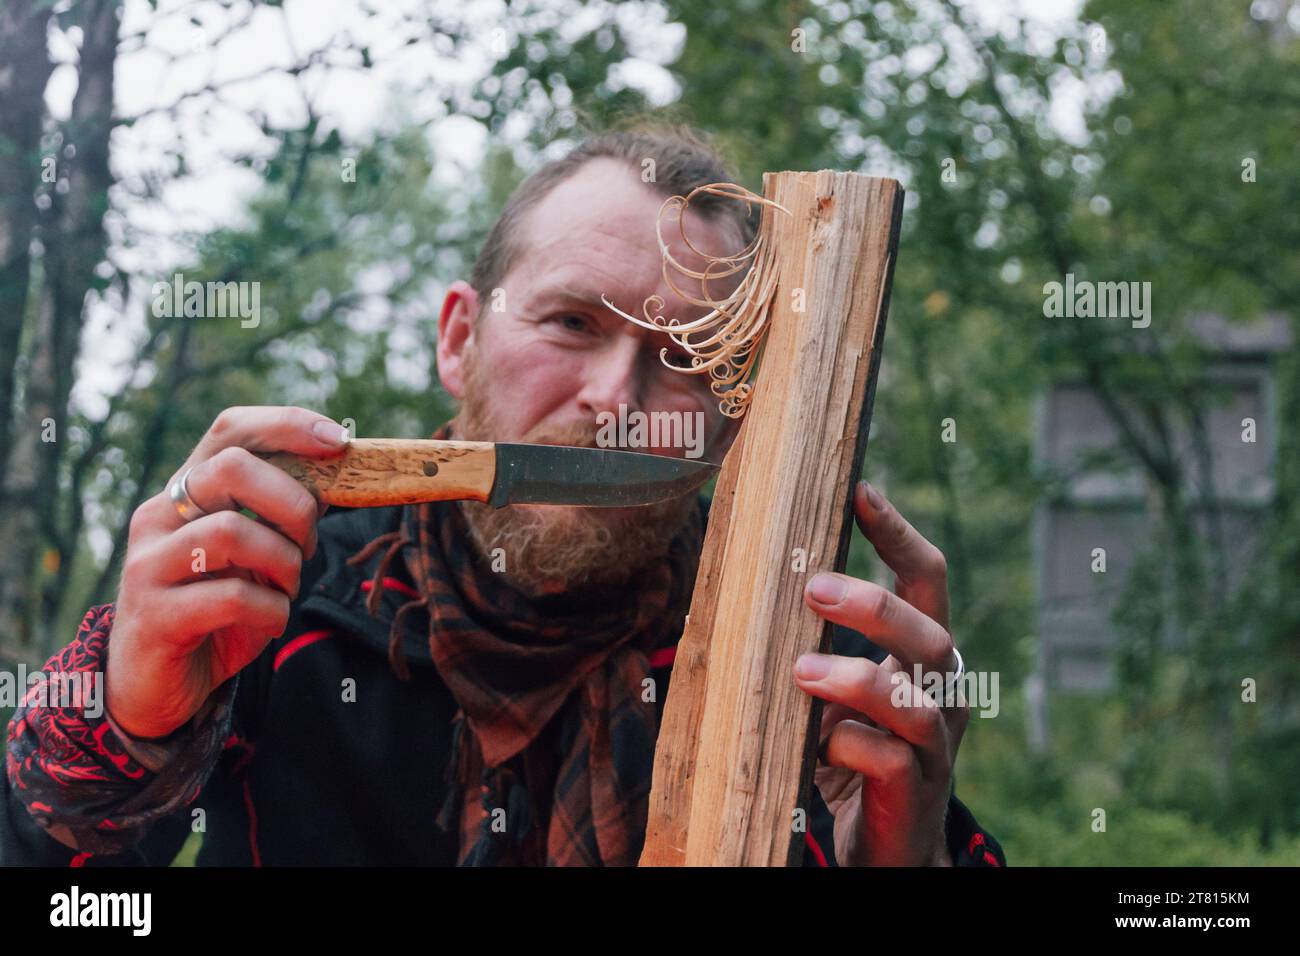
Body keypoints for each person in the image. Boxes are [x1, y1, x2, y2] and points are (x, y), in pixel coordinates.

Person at [2, 124, 1005, 867]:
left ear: (739, 415)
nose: (615, 399)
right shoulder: (264, 587)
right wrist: (122, 723)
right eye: (572, 321)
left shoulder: (820, 662)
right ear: (457, 339)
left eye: (689, 356)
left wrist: (903, 861)